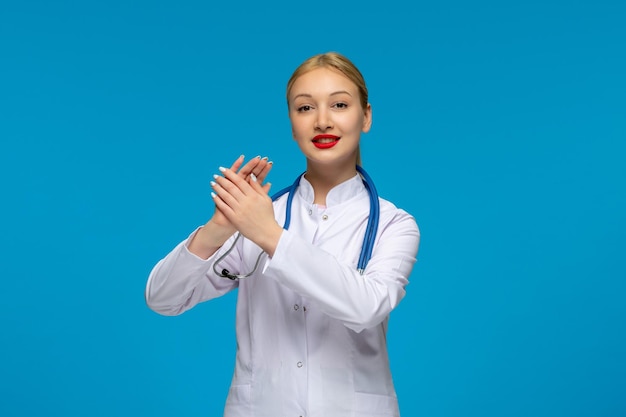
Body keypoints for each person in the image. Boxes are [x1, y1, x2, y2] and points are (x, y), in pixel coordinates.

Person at [145, 52, 420, 417]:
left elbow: (367, 307)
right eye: (305, 108)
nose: (323, 121)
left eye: (339, 104)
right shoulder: (258, 214)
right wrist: (218, 229)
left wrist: (270, 236)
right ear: (292, 124)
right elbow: (163, 299)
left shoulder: (393, 223)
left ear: (365, 116)